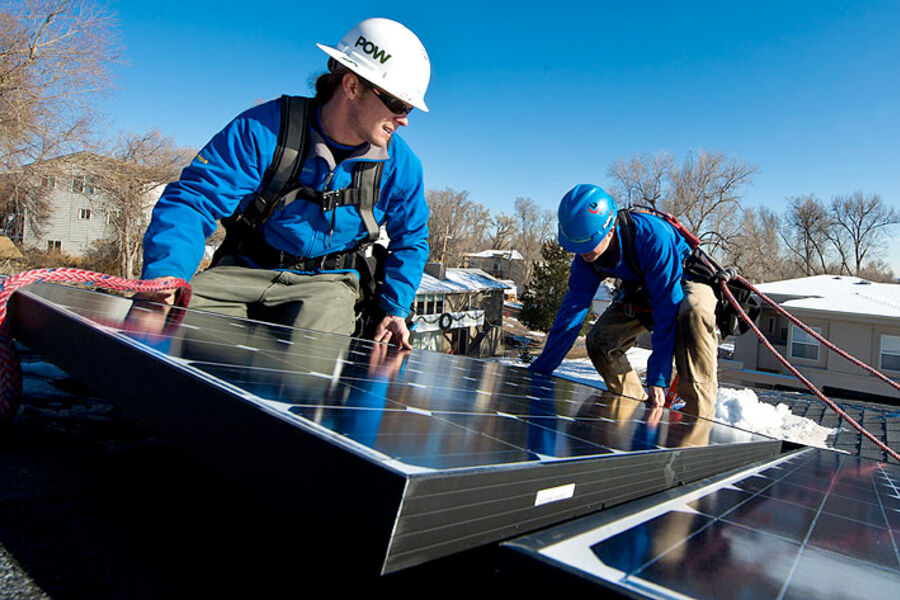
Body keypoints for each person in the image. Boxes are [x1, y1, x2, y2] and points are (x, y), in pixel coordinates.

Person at [139, 18, 431, 349]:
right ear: (352, 86)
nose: (404, 119)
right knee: (170, 328)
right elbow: (195, 200)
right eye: (398, 104)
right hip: (245, 269)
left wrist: (394, 309)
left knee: (308, 363)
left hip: (327, 286)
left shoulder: (401, 166)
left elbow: (412, 239)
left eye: (408, 108)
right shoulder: (265, 129)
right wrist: (165, 275)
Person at [528, 184, 719, 419]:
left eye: (586, 246)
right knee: (600, 341)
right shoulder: (587, 258)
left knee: (694, 312)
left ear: (609, 230)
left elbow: (666, 309)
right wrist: (541, 369)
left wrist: (658, 377)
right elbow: (572, 313)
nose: (582, 254)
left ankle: (697, 422)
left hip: (683, 281)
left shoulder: (651, 238)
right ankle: (634, 411)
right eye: (576, 248)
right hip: (641, 288)